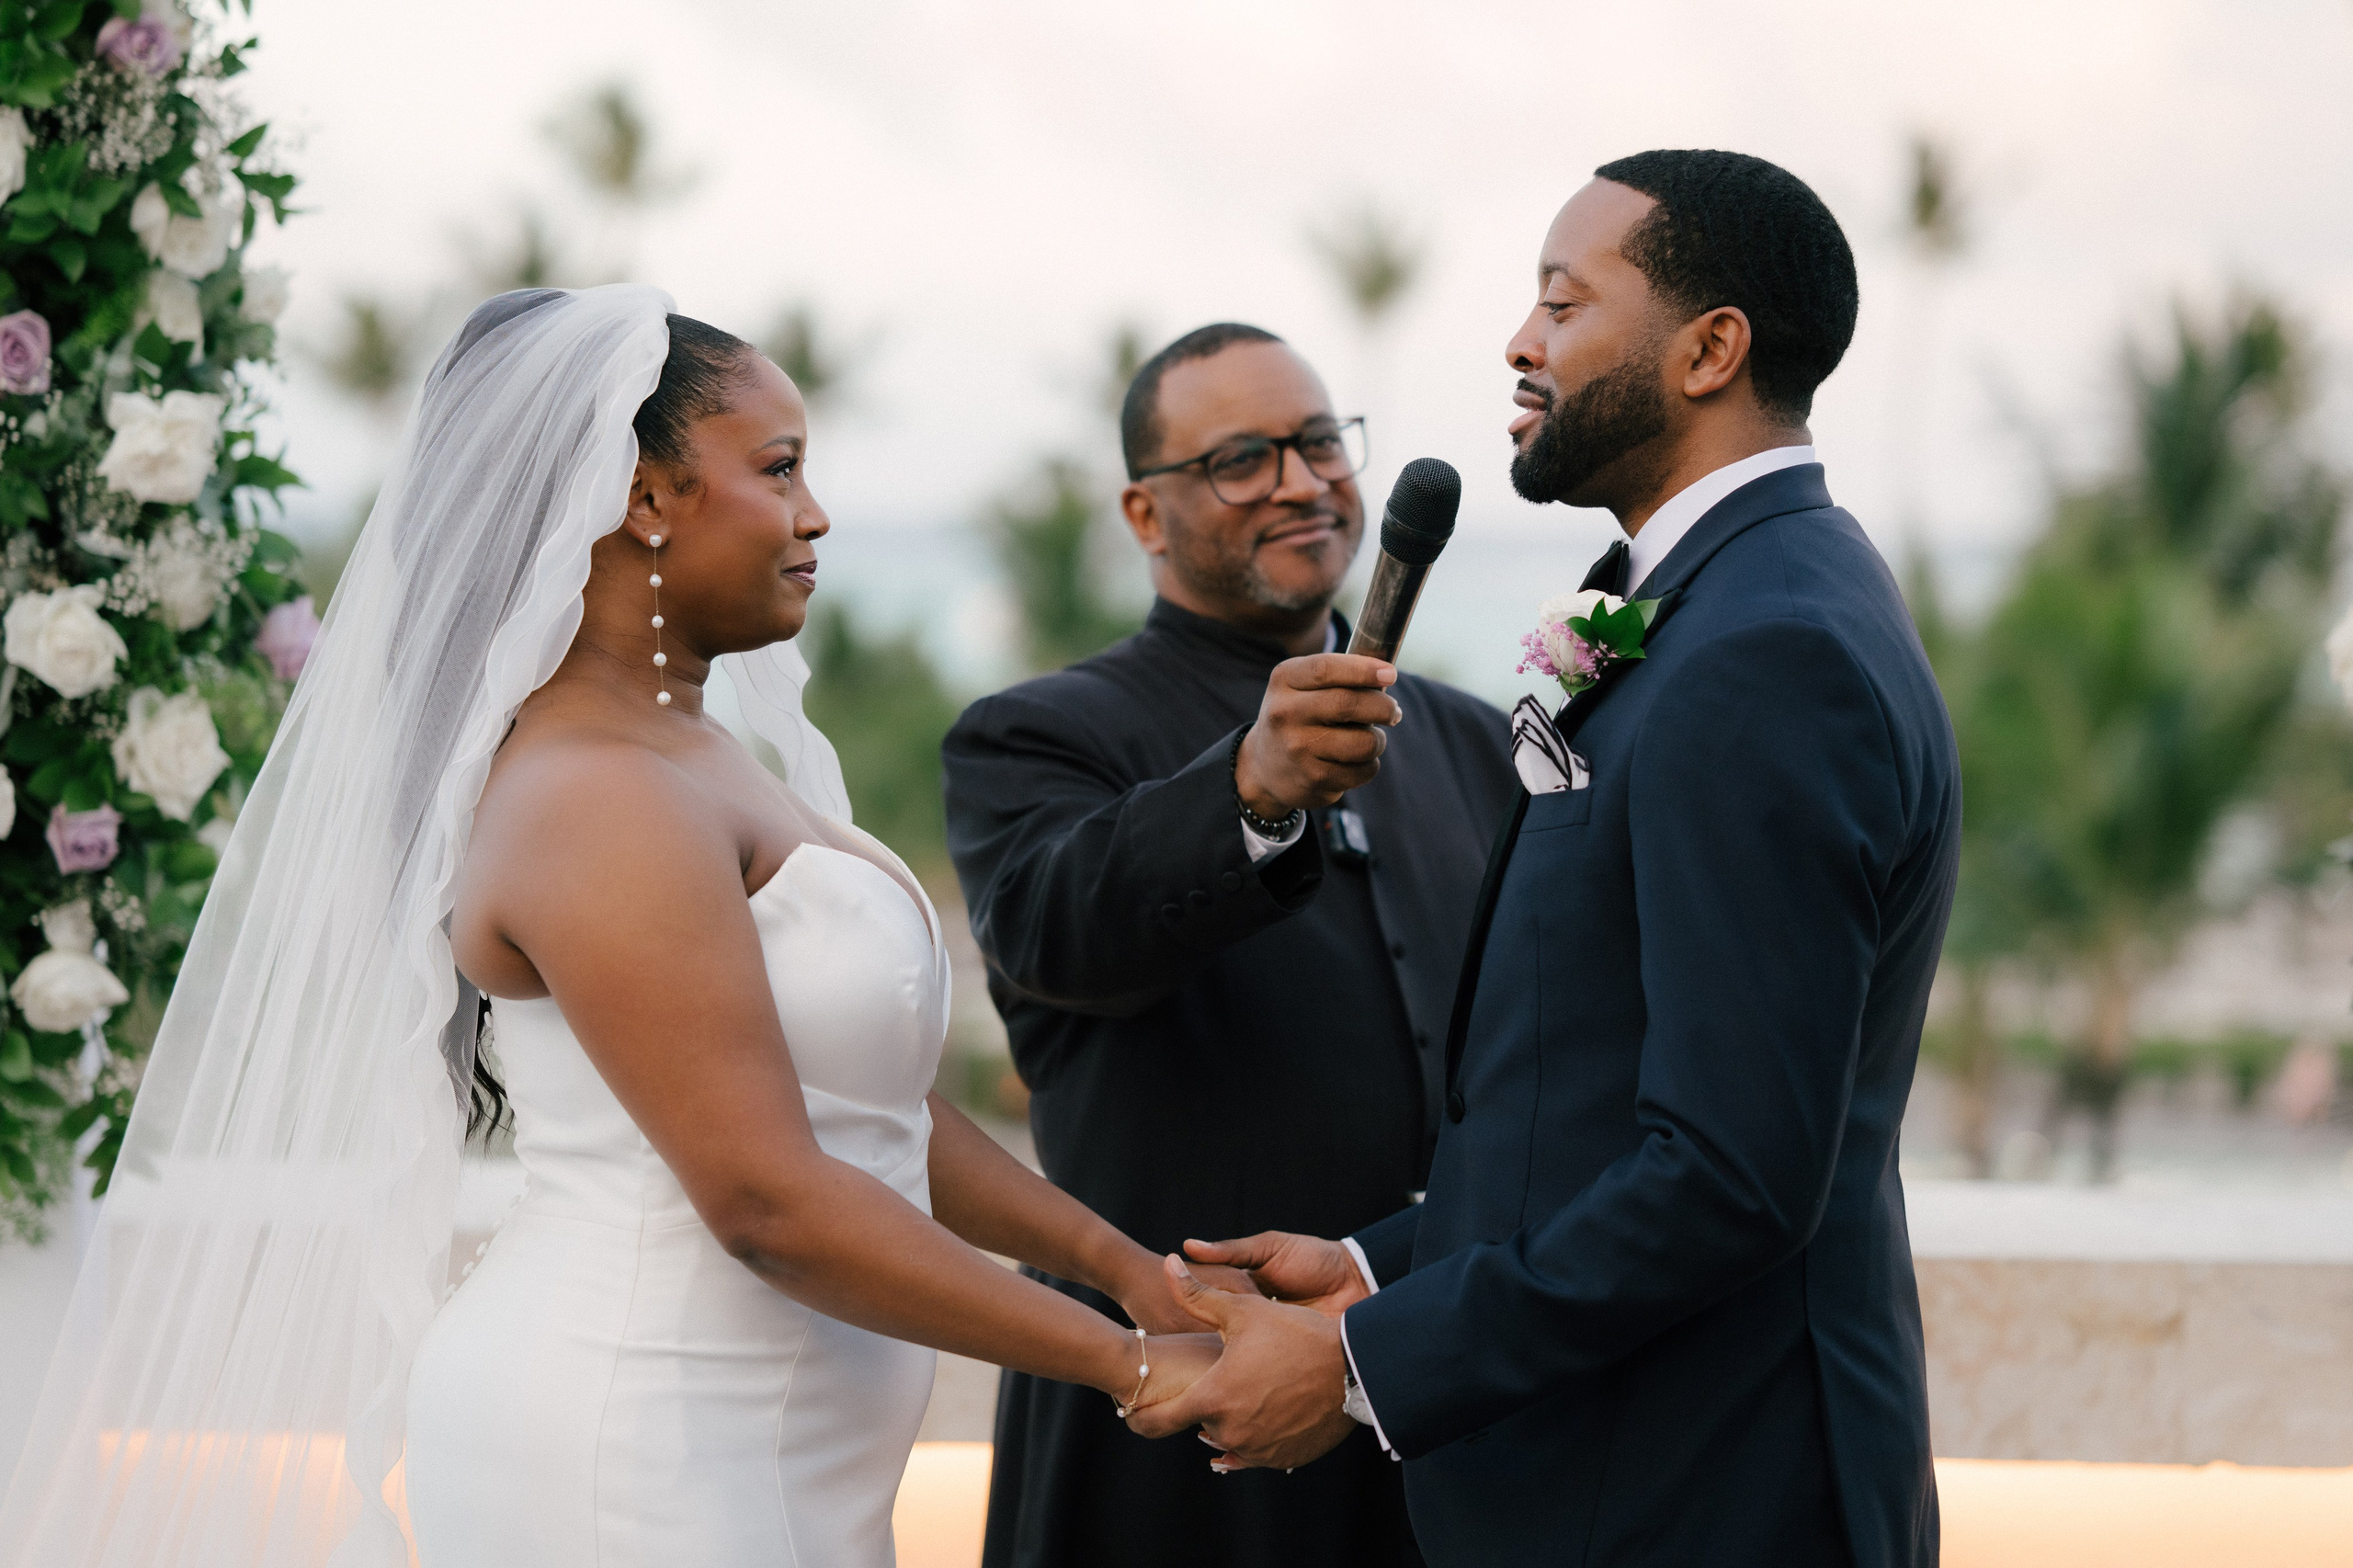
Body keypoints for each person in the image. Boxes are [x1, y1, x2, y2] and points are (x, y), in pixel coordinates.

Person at [0, 288, 1223, 1568]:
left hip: (769, 1442)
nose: (815, 515)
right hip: (640, 1442)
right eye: (780, 467)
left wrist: (1125, 1268)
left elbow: (873, 1108)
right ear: (646, 495)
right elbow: (765, 1198)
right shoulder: (595, 797)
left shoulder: (701, 752)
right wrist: (1129, 1364)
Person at [1134, 151, 1961, 1568]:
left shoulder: (1767, 647)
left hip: (1696, 1491)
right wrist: (1388, 1259)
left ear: (1710, 349)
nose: (1521, 342)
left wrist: (1359, 1362)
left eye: (1565, 305)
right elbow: (1588, 1075)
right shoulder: (1688, 598)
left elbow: (1729, 1173)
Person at [942, 324, 1517, 1568]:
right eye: (1244, 458)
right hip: (1183, 1409)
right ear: (1146, 513)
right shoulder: (1036, 736)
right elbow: (1055, 930)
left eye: (1319, 443)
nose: (1303, 481)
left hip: (1433, 1393)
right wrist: (1254, 787)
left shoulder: (1471, 743)